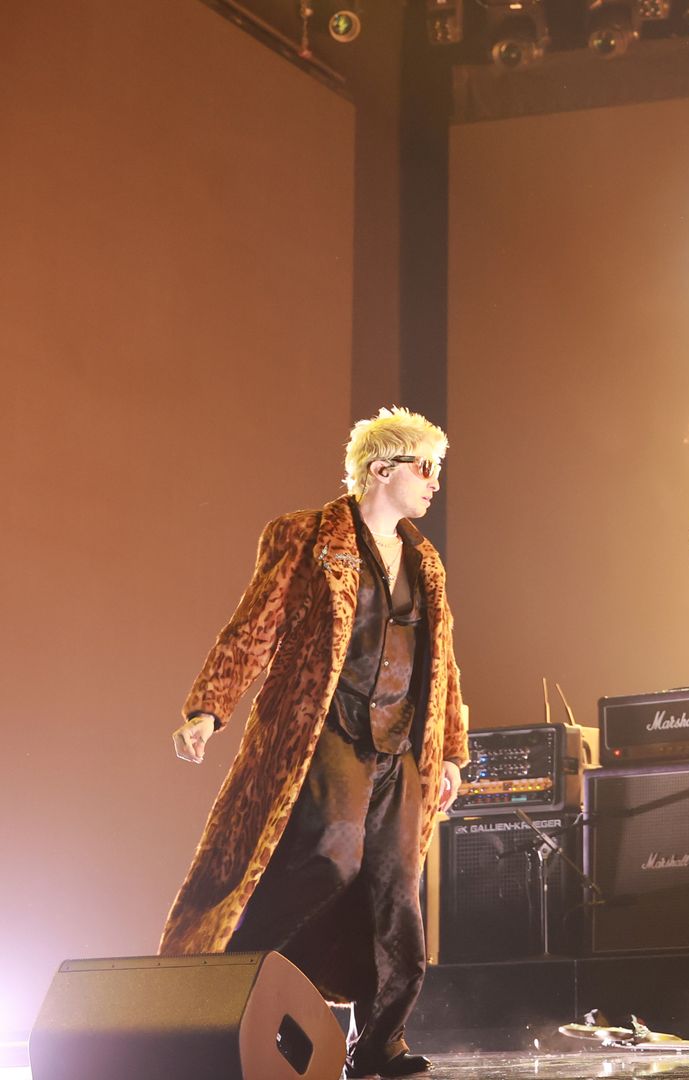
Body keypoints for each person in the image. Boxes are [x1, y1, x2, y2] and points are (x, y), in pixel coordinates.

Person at [161, 407, 468, 1078]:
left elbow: (440, 663)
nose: (433, 482)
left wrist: (447, 749)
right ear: (381, 470)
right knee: (329, 857)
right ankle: (235, 982)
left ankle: (380, 1041)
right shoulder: (306, 538)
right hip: (325, 731)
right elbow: (255, 627)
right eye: (424, 467)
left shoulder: (424, 560)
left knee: (396, 898)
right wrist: (209, 709)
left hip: (397, 748)